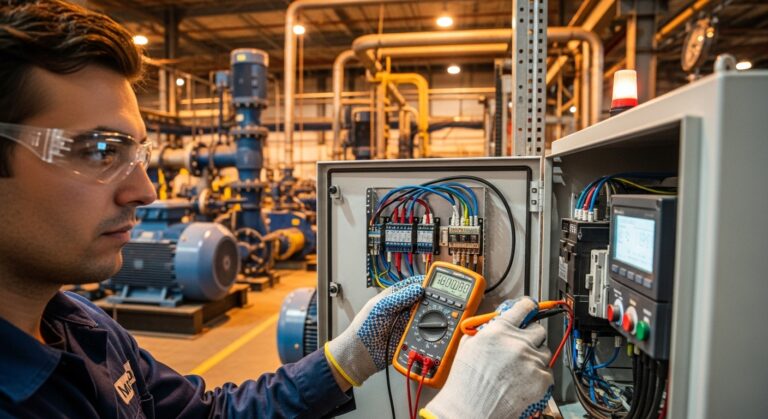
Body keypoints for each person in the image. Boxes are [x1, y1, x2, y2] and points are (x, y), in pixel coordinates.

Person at [0, 1, 553, 417]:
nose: (145, 190)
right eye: (100, 151)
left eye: (138, 152)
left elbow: (208, 415)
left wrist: (348, 357)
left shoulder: (83, 325)